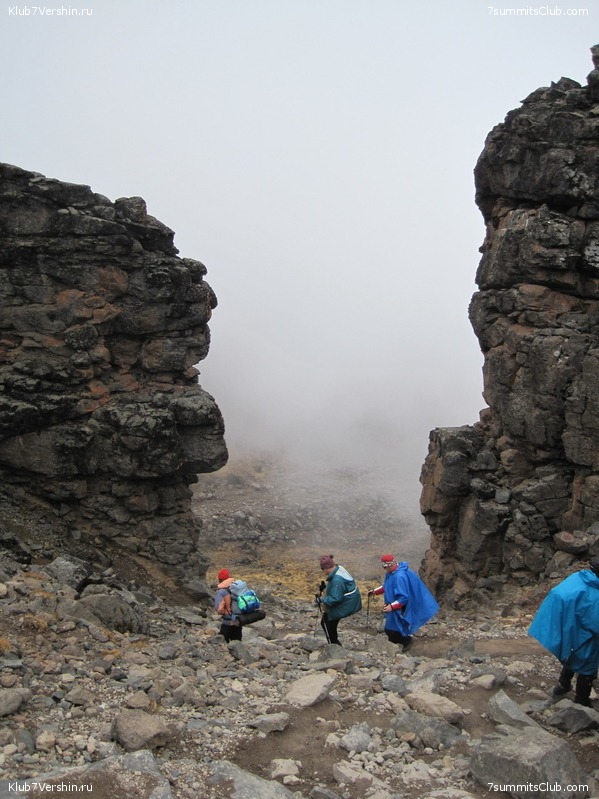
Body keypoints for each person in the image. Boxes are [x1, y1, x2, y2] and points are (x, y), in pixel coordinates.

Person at [528, 561, 599, 706]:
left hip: (570, 626)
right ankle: (581, 701)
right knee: (587, 667)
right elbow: (596, 625)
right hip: (586, 636)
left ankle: (563, 684)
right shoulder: (595, 594)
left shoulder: (579, 577)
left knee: (572, 654)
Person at [368, 555, 439, 651]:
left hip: (397, 607)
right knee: (393, 628)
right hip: (392, 605)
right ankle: (396, 649)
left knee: (391, 629)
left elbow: (403, 598)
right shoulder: (391, 574)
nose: (384, 569)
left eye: (384, 567)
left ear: (389, 565)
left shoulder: (399, 577)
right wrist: (374, 591)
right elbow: (387, 586)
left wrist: (392, 607)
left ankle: (406, 642)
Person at [318, 554, 362, 645]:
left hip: (346, 604)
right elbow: (338, 590)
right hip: (349, 601)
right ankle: (334, 644)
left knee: (327, 622)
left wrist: (322, 600)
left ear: (326, 568)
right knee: (327, 621)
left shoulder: (337, 580)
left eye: (322, 569)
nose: (323, 571)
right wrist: (325, 588)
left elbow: (336, 598)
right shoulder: (338, 569)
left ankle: (334, 646)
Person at [213, 568, 242, 643]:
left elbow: (219, 608)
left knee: (223, 643)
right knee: (237, 644)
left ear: (220, 579)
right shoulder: (237, 588)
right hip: (238, 621)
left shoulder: (221, 591)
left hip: (227, 621)